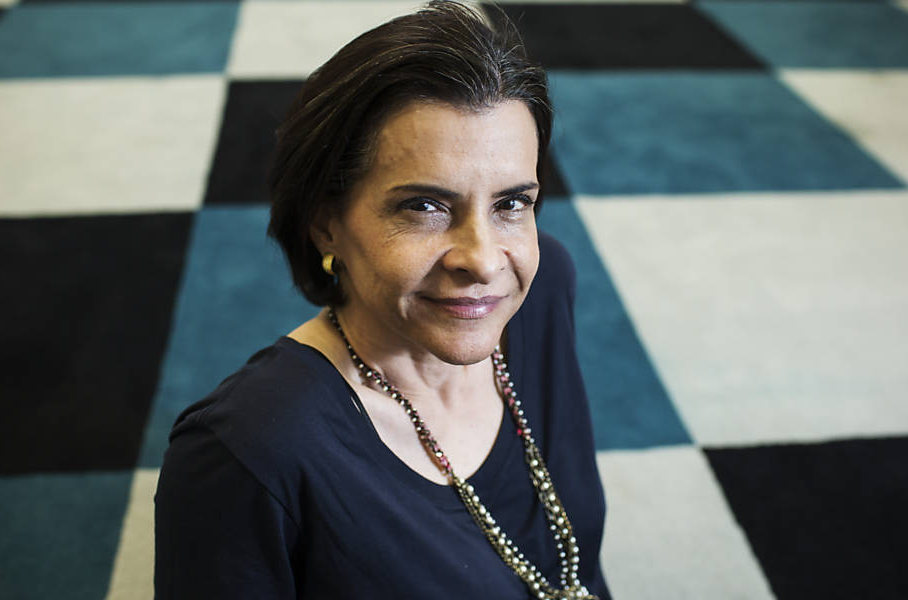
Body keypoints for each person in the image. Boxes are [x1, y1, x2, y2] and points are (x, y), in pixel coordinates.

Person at [154, 2, 610, 598]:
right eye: (424, 206)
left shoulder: (543, 290)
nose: (483, 261)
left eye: (511, 203)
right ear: (326, 225)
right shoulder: (245, 454)